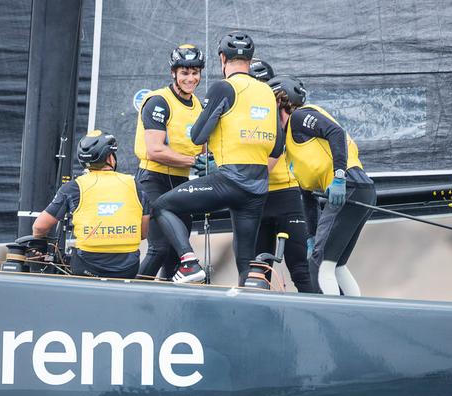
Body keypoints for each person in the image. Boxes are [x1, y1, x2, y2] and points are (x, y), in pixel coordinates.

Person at [151, 31, 283, 284]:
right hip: (258, 187)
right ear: (251, 59)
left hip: (229, 180)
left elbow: (198, 136)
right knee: (246, 261)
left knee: (162, 206)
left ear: (223, 59)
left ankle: (189, 263)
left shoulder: (224, 87)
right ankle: (255, 312)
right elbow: (277, 147)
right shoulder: (267, 92)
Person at [267, 75, 376, 296]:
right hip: (359, 189)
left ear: (278, 103)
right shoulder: (290, 143)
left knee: (319, 265)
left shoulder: (299, 117)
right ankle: (357, 316)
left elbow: (335, 132)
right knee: (335, 265)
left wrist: (338, 177)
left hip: (349, 186)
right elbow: (307, 194)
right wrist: (311, 236)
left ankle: (328, 323)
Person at [33, 130, 150, 279]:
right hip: (127, 267)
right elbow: (143, 234)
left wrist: (40, 245)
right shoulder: (135, 185)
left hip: (86, 266)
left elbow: (39, 226)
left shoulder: (73, 187)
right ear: (110, 158)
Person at [133, 44, 205, 280]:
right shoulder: (158, 101)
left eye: (195, 73)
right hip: (153, 179)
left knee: (175, 253)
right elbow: (154, 150)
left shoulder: (199, 106)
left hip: (181, 181)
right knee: (159, 248)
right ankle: (131, 297)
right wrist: (193, 160)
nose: (190, 78)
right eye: (185, 73)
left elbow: (205, 147)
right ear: (173, 73)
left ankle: (168, 307)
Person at [248, 60, 313, 292]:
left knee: (301, 271)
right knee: (256, 273)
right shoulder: (243, 114)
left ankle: (321, 322)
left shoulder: (286, 113)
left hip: (287, 195)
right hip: (257, 197)